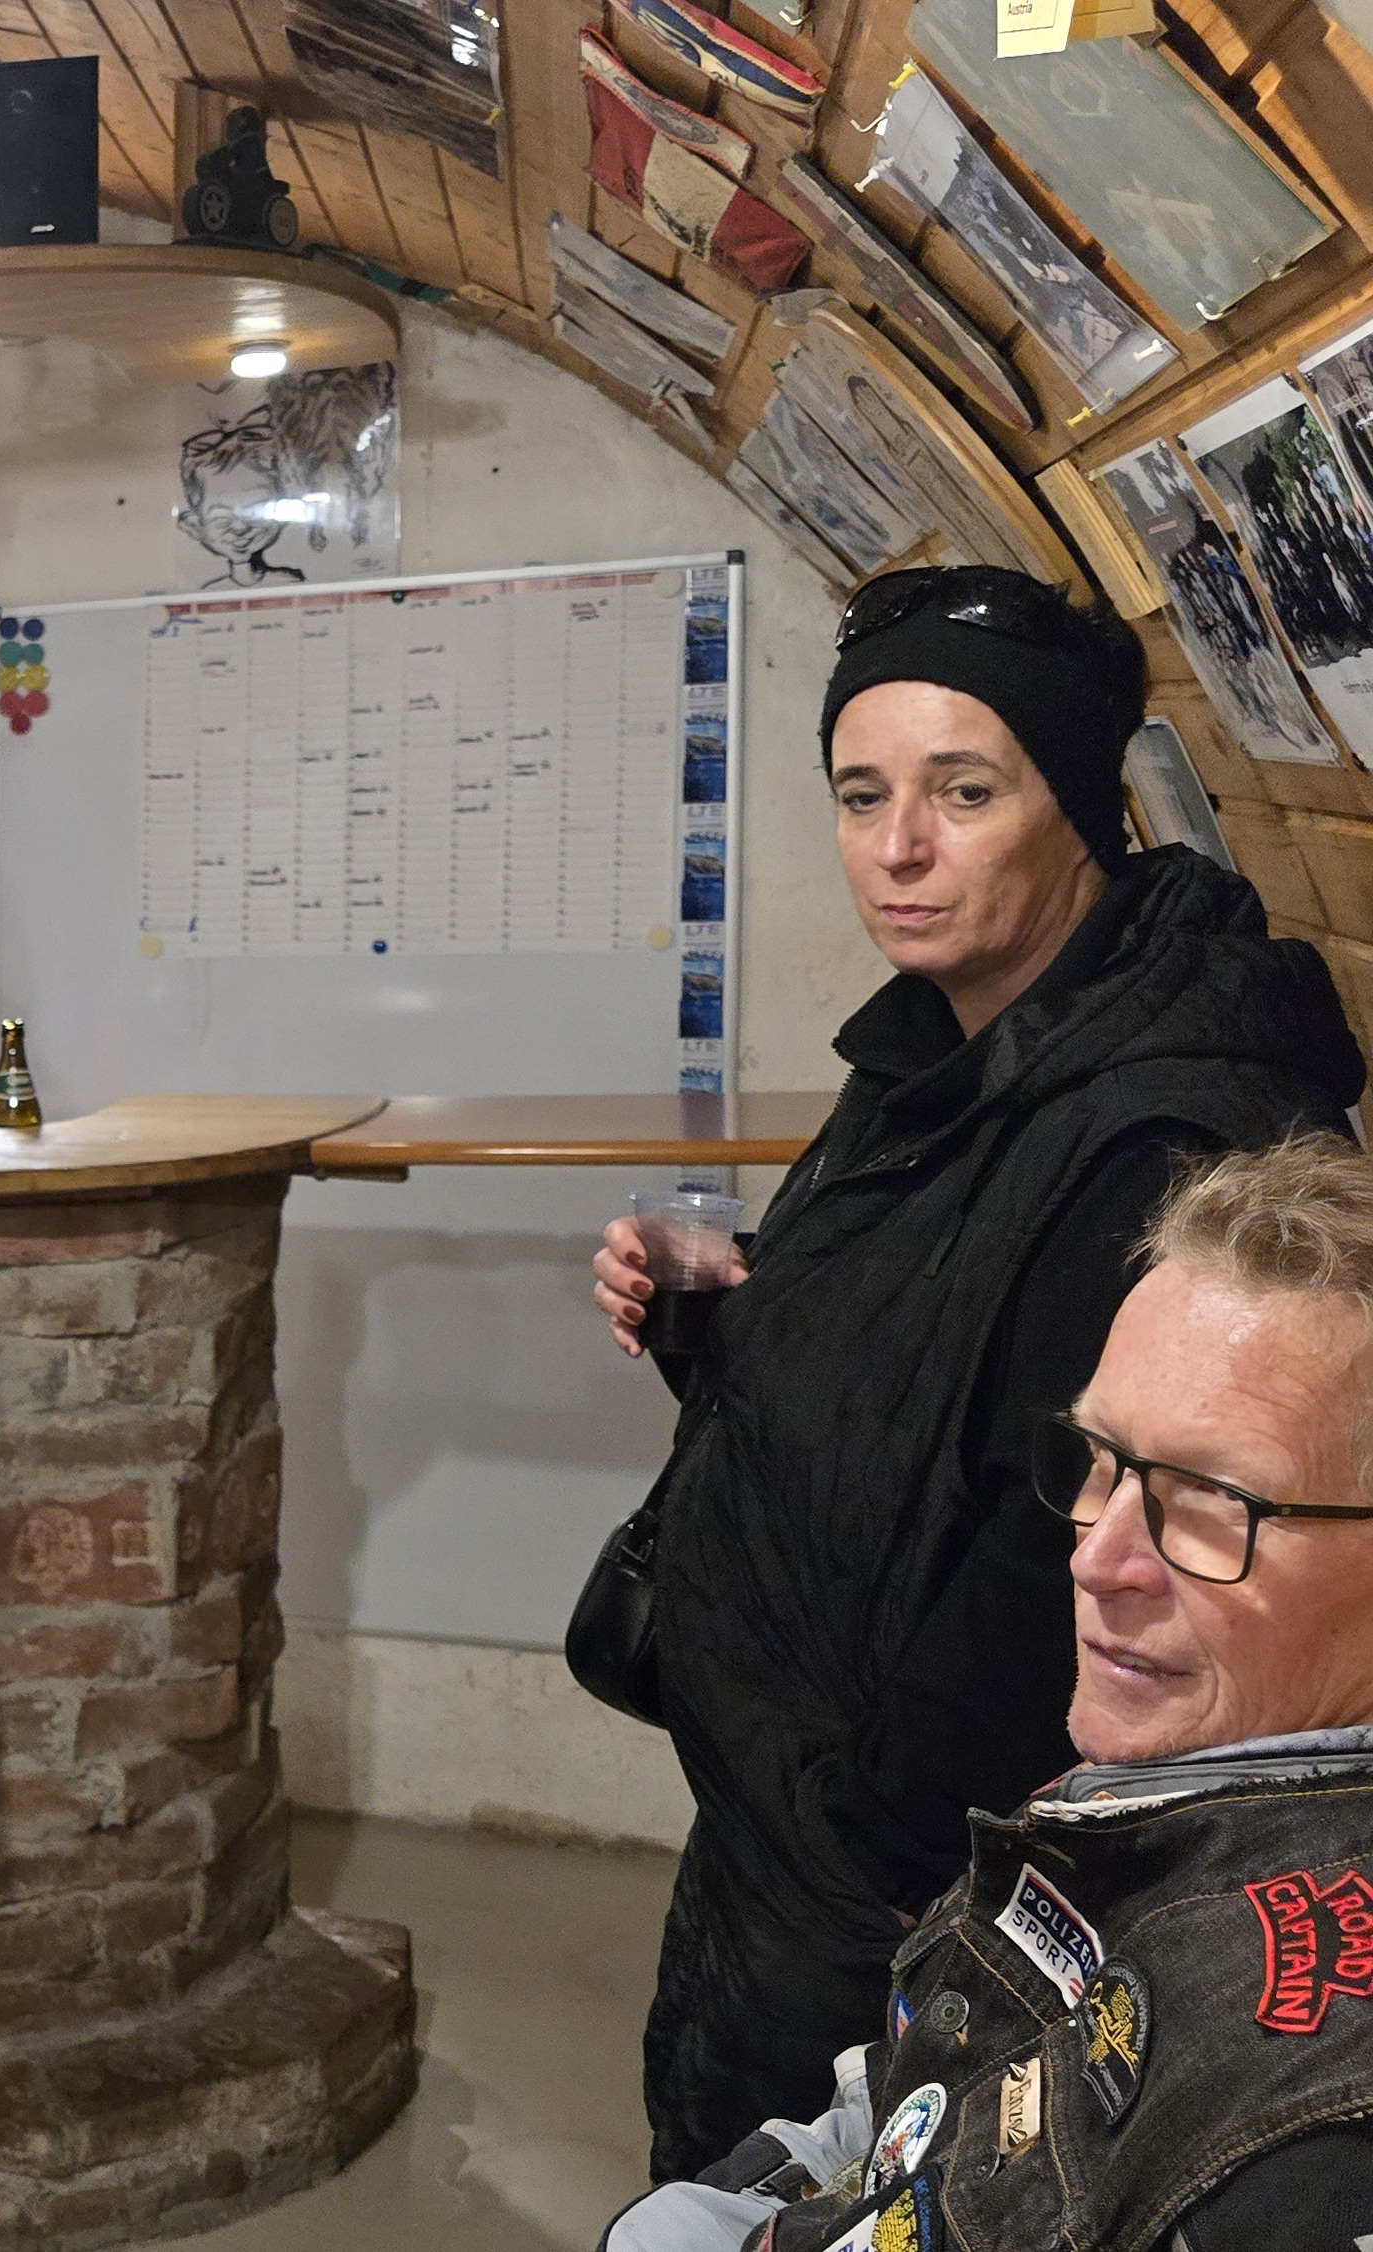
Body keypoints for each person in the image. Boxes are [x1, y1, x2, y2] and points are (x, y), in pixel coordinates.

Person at [583, 565, 1364, 2176]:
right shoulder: (939, 1051)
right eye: (861, 795)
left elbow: (1063, 1569)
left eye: (964, 791)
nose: (899, 848)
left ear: (1078, 802)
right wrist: (714, 1318)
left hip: (900, 1903)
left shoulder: (1162, 1138)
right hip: (781, 1846)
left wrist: (866, 1849)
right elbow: (913, 1399)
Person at [607, 1136, 1373, 2250]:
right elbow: (921, 2100)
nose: (1098, 1558)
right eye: (1102, 1462)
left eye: (1213, 1501)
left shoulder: (1310, 2143)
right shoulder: (1150, 1790)